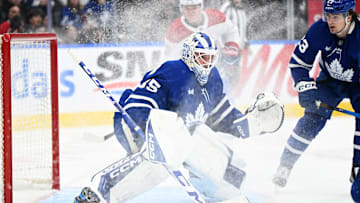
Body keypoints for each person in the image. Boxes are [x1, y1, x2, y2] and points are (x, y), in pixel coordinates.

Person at [74, 32, 284, 203]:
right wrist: (149, 132)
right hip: (136, 123)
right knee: (162, 158)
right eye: (202, 57)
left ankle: (226, 197)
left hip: (178, 137)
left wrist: (253, 123)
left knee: (214, 152)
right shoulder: (174, 71)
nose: (207, 64)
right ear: (189, 55)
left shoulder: (213, 80)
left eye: (211, 58)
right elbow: (139, 104)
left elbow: (224, 117)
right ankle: (98, 193)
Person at [272, 0, 360, 201]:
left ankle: (358, 168)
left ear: (349, 16)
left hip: (358, 84)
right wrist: (305, 86)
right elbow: (299, 63)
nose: (330, 21)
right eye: (327, 15)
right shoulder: (320, 30)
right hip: (329, 81)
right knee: (313, 116)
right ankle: (285, 164)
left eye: (335, 17)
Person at [164, 0, 242, 91]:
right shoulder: (175, 30)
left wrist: (231, 46)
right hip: (192, 69)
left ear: (201, 7)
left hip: (218, 59)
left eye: (194, 8)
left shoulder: (217, 17)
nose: (191, 12)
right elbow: (170, 57)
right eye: (187, 8)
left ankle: (230, 93)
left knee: (232, 64)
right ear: (181, 9)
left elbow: (231, 30)